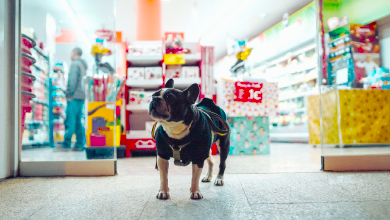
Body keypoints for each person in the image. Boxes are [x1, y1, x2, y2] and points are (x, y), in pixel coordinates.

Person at [55, 47, 87, 152]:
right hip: (81, 96)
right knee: (78, 120)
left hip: (74, 96)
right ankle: (80, 144)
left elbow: (72, 80)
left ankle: (67, 143)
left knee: (70, 120)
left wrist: (69, 93)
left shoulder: (75, 64)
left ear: (74, 53)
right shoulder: (83, 65)